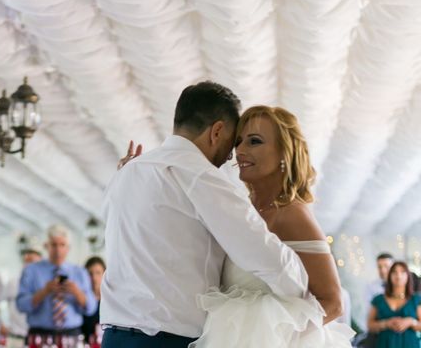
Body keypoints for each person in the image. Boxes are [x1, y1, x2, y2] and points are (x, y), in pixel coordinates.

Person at [101, 82, 309, 348]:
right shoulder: (200, 176)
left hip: (112, 337)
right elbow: (261, 254)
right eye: (232, 143)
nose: (231, 156)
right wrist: (303, 291)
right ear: (217, 131)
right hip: (168, 341)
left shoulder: (126, 173)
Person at [190, 105, 353, 346]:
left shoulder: (293, 215)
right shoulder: (244, 211)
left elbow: (334, 303)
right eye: (238, 142)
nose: (240, 150)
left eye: (254, 141)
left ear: (283, 154)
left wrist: (276, 338)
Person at [17, 225, 96, 341]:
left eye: (62, 245)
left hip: (71, 336)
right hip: (39, 336)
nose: (58, 250)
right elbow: (21, 305)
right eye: (54, 245)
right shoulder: (31, 271)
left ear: (68, 247)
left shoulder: (80, 273)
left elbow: (91, 308)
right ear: (46, 246)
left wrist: (77, 293)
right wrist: (43, 292)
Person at [367, 261, 421, 347]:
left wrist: (410, 322)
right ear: (390, 276)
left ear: (408, 276)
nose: (398, 275)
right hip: (384, 344)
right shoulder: (378, 299)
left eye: (402, 272)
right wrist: (386, 323)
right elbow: (370, 325)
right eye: (394, 272)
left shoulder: (416, 299)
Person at [4, 241, 43, 348]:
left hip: (37, 339)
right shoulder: (13, 283)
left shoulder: (44, 287)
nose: (29, 265)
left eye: (33, 262)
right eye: (26, 261)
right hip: (15, 339)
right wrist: (0, 325)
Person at [82, 256, 105, 342]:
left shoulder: (110, 301)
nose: (94, 278)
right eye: (90, 274)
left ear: (104, 274)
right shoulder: (81, 300)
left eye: (98, 273)